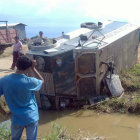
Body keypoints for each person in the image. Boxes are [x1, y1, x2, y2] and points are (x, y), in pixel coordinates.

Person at [0, 55, 44, 140]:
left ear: (16, 65)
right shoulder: (30, 81)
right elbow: (42, 81)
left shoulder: (3, 81)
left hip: (16, 119)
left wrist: (3, 112)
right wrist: (33, 68)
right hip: (31, 117)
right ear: (28, 68)